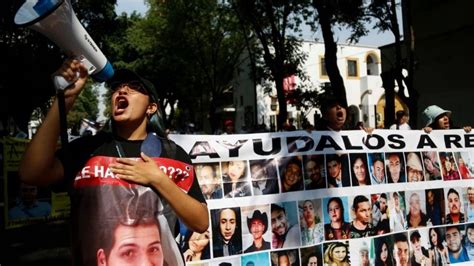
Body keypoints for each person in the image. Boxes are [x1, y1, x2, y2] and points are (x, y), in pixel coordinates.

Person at [18, 59, 208, 265]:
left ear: (151, 107)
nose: (122, 91)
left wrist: (157, 179)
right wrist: (64, 100)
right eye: (117, 88)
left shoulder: (172, 153)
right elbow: (31, 173)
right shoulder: (87, 149)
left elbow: (200, 222)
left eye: (134, 88)